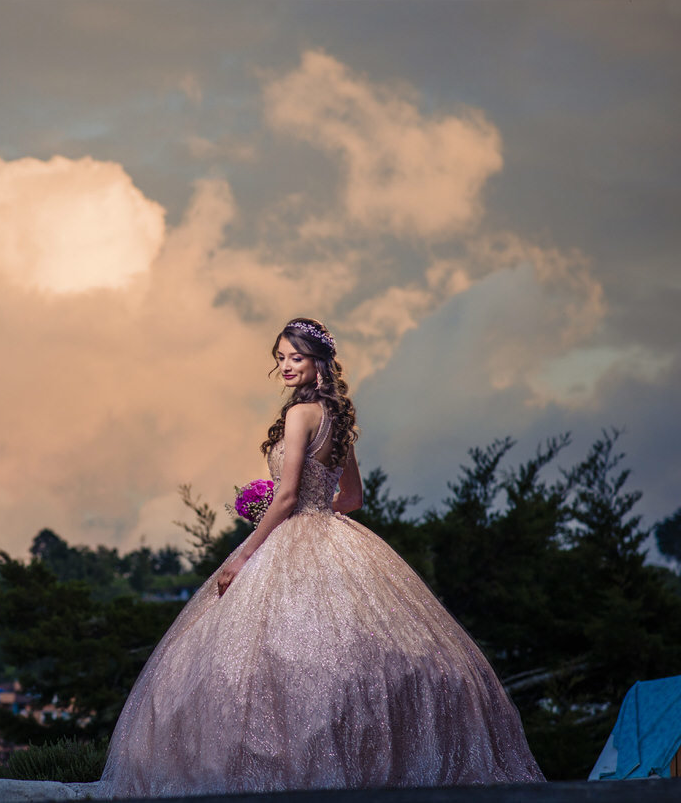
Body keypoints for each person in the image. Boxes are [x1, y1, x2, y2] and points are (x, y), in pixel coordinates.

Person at [97, 318, 544, 797]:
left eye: (296, 357)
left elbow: (287, 498)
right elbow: (352, 498)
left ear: (318, 362)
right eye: (281, 358)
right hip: (334, 534)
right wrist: (317, 507)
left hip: (292, 534)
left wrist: (245, 554)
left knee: (267, 663)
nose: (286, 367)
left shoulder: (298, 415)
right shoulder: (339, 418)